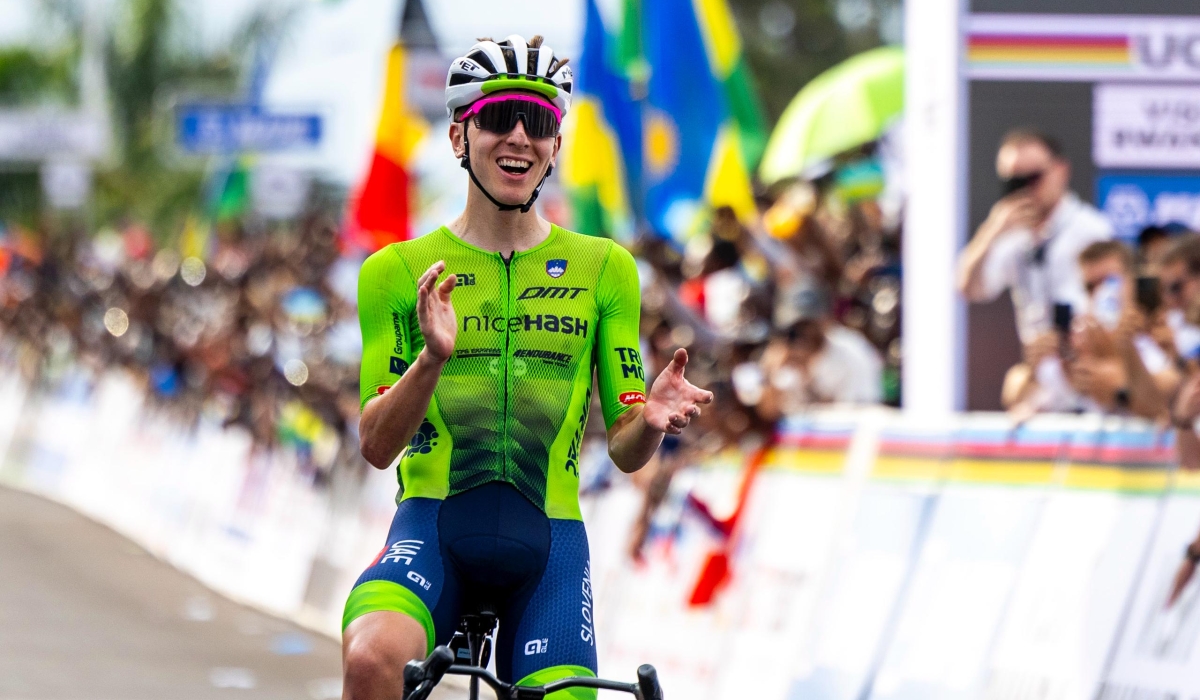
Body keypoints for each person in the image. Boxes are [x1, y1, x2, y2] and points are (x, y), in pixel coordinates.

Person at [340, 35, 713, 700]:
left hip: (549, 547)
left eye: (538, 121)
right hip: (433, 529)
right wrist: (431, 360)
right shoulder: (395, 271)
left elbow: (627, 452)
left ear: (556, 145)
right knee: (373, 660)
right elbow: (375, 446)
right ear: (460, 137)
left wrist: (650, 421)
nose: (519, 135)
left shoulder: (606, 268)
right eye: (500, 116)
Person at [956, 129, 1114, 350]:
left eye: (1034, 177)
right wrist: (991, 230)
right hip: (1040, 366)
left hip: (1084, 361)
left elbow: (1111, 309)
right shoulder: (1010, 234)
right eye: (1014, 182)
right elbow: (967, 287)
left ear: (1061, 170)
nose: (1026, 190)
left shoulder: (1091, 230)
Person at [749, 282, 882, 420]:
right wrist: (770, 373)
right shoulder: (785, 355)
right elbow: (768, 413)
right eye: (794, 330)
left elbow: (860, 415)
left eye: (808, 325)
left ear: (825, 320)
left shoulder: (851, 350)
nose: (801, 336)